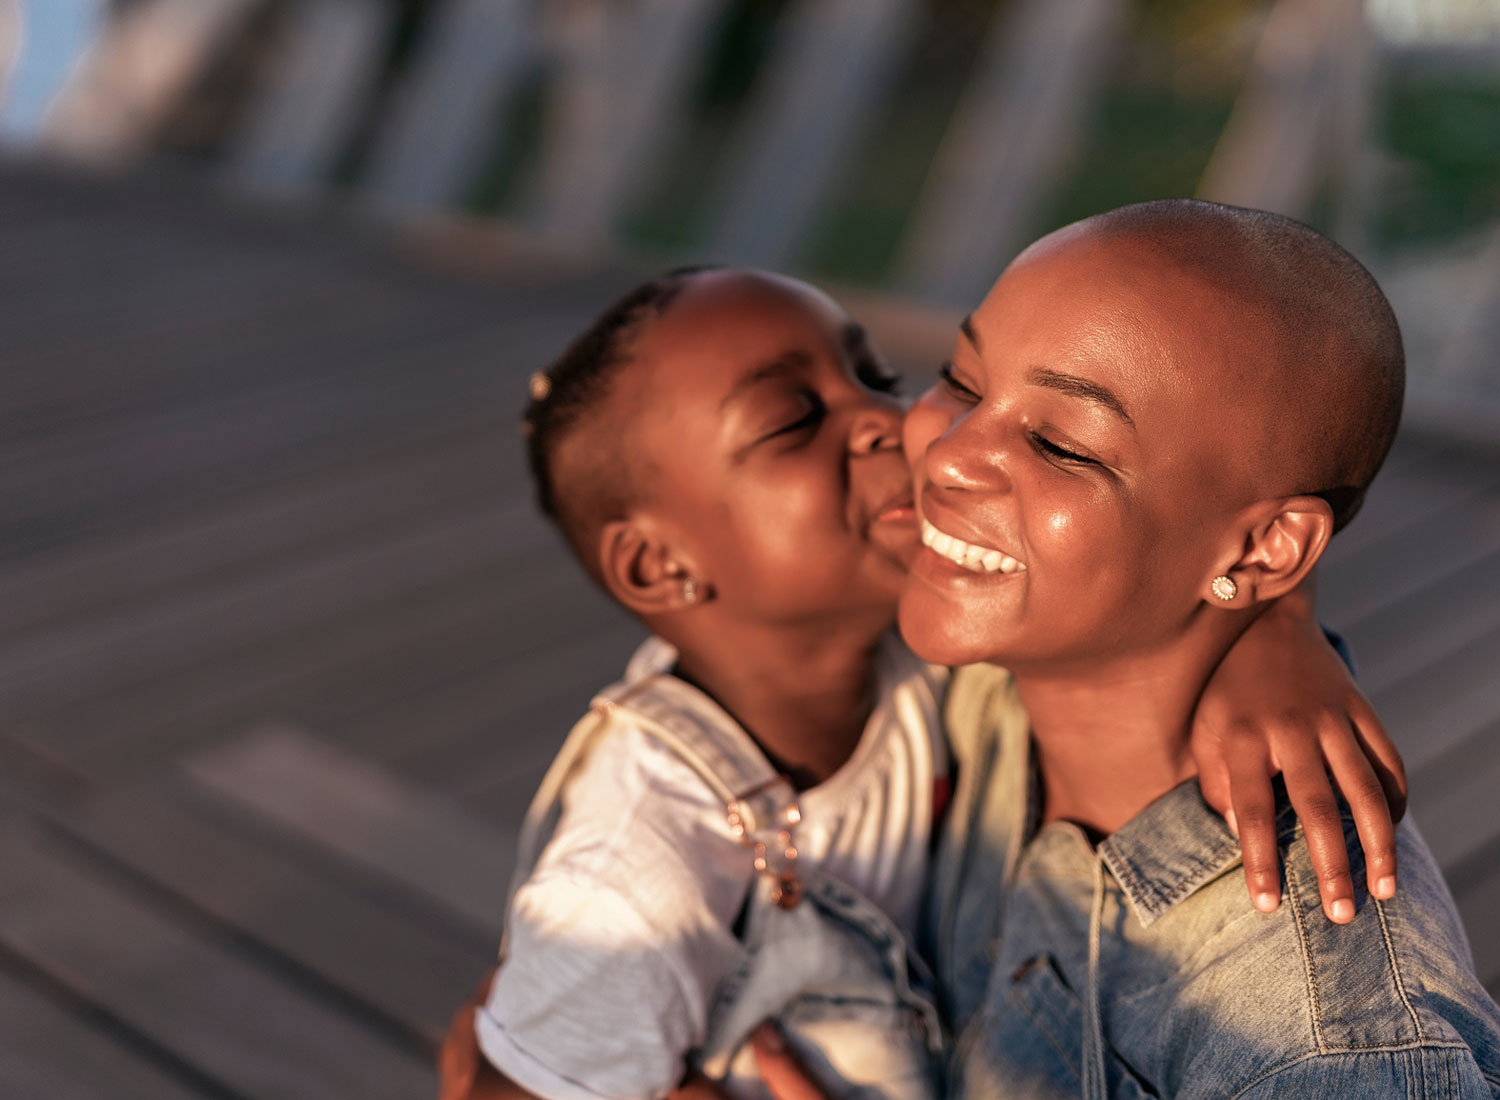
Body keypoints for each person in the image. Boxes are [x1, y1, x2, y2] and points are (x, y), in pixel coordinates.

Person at [440, 265, 1407, 1100]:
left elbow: (1216, 400)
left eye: (882, 375)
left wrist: (1277, 624)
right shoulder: (638, 871)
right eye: (793, 420)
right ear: (661, 568)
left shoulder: (917, 655)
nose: (890, 423)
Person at [897, 200, 1500, 1098]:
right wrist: (1282, 621)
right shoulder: (1008, 652)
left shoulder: (1321, 1047)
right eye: (961, 379)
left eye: (1060, 445)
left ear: (1262, 553)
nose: (948, 455)